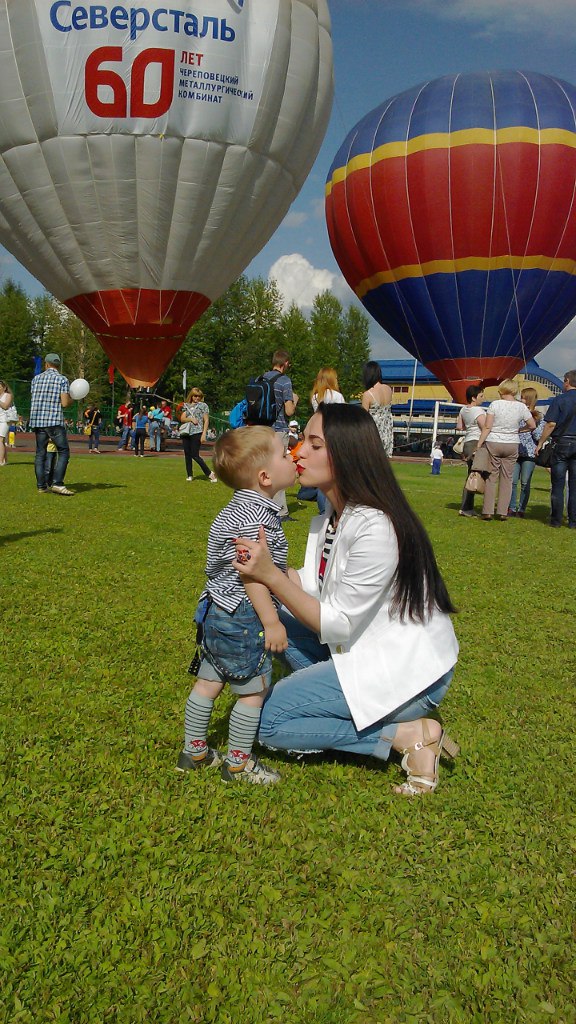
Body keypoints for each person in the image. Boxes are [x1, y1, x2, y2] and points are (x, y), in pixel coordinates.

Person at [233, 404, 460, 797]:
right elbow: (313, 585)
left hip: (407, 674)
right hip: (361, 650)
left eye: (314, 445)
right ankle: (352, 708)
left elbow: (334, 622)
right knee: (265, 622)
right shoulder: (333, 517)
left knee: (269, 722)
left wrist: (269, 576)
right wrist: (265, 570)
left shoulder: (376, 527)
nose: (298, 451)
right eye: (302, 440)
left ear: (347, 454)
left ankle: (407, 734)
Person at [176, 426, 298, 784]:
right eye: (284, 454)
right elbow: (252, 576)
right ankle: (239, 764)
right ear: (265, 476)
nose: (292, 457)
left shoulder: (239, 508)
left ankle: (194, 752)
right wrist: (272, 622)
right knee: (254, 692)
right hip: (245, 614)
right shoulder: (257, 518)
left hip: (215, 610)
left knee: (208, 682)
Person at [475, 379, 536, 521]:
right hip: (512, 442)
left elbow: (488, 427)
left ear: (502, 390)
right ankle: (503, 511)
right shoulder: (521, 407)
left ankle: (488, 511)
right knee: (507, 479)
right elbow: (532, 425)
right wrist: (519, 430)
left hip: (494, 441)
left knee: (491, 477)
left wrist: (479, 444)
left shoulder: (495, 404)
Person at [535, 369, 576, 528]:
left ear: (567, 381)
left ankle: (556, 520)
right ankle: (573, 521)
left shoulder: (560, 400)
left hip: (562, 442)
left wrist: (540, 443)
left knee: (558, 484)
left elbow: (551, 424)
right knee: (574, 485)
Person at [29, 354, 74, 495]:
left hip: (38, 420)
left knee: (40, 454)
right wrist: (72, 399)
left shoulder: (36, 379)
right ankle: (57, 483)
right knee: (63, 451)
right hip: (53, 421)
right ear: (58, 365)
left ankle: (41, 486)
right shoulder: (62, 379)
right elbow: (65, 403)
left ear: (46, 364)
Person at [263, 350, 299, 520]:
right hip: (278, 429)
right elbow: (289, 411)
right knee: (279, 469)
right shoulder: (284, 381)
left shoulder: (261, 378)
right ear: (284, 363)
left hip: (261, 429)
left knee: (264, 468)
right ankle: (281, 511)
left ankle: (262, 506)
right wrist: (295, 400)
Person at [508, 387, 544, 518]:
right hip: (515, 451)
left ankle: (521, 508)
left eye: (523, 397)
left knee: (525, 482)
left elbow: (539, 436)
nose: (521, 399)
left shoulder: (538, 416)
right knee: (512, 481)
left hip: (529, 454)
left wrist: (532, 424)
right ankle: (511, 507)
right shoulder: (517, 412)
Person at [456, 385, 486, 516]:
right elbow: (485, 427)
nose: (483, 399)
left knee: (470, 475)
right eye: (481, 396)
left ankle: (467, 506)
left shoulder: (463, 410)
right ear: (474, 397)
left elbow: (459, 426)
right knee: (476, 476)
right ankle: (467, 507)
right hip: (476, 442)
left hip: (468, 442)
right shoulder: (478, 411)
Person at [179, 387, 218, 482]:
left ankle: (209, 473)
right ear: (191, 396)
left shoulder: (203, 405)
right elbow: (182, 418)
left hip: (197, 432)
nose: (197, 398)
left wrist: (204, 433)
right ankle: (189, 474)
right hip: (186, 432)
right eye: (195, 396)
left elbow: (206, 420)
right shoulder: (186, 405)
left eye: (199, 396)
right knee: (187, 454)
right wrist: (190, 419)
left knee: (195, 454)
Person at [361, 361, 394, 456]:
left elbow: (363, 418)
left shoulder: (368, 394)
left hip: (373, 432)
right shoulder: (388, 389)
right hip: (387, 431)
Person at [0, 380, 15, 466]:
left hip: (5, 420)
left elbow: (5, 406)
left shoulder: (8, 395)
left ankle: (1, 461)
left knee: (0, 439)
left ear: (4, 388)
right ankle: (4, 460)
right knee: (2, 441)